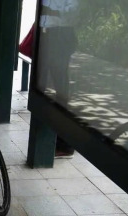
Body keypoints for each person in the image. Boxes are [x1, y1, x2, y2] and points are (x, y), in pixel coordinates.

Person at [37, 0, 80, 158]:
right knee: (41, 87)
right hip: (45, 34)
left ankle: (65, 143)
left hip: (61, 36)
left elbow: (73, 14)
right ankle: (48, 138)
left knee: (61, 90)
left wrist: (49, 10)